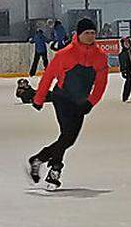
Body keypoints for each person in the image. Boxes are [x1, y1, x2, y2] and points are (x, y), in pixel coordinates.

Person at [27, 18, 108, 191]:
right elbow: (48, 76)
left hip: (80, 102)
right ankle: (55, 171)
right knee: (67, 136)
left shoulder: (100, 57)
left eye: (93, 33)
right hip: (62, 98)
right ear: (78, 34)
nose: (90, 36)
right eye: (86, 33)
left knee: (68, 139)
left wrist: (91, 102)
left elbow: (101, 83)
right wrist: (39, 98)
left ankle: (39, 158)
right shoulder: (65, 54)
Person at [118, 36, 131, 102]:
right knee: (128, 82)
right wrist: (123, 71)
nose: (126, 44)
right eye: (124, 43)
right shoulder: (122, 54)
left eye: (127, 42)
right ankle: (125, 97)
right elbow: (122, 64)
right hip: (128, 69)